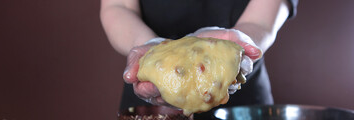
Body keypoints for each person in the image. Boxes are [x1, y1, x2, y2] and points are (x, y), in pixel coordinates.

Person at [100, 0, 298, 112]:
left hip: (241, 104)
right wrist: (150, 49)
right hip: (149, 110)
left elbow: (260, 22)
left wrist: (240, 42)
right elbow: (119, 6)